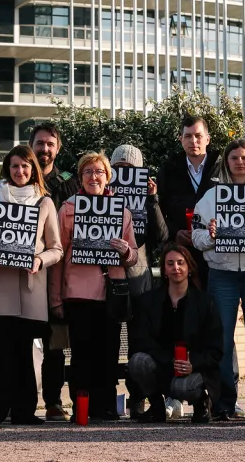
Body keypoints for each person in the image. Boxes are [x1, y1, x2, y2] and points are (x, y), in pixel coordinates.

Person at [0, 145, 63, 426]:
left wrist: (39, 260)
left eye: (25, 166)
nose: (20, 171)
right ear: (6, 170)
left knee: (24, 354)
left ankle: (24, 410)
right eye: (14, 166)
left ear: (33, 168)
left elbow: (56, 248)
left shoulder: (45, 202)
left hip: (29, 289)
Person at [191, 139, 245, 421]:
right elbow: (196, 236)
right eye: (234, 158)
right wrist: (211, 236)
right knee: (222, 341)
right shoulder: (210, 198)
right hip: (222, 274)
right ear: (226, 162)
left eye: (244, 157)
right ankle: (223, 405)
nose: (240, 162)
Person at [50, 152, 139, 421]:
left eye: (99, 171)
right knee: (81, 356)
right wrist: (55, 298)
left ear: (107, 177)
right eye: (87, 172)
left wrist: (126, 252)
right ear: (80, 177)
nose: (93, 176)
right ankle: (83, 408)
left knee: (109, 355)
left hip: (111, 294)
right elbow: (57, 256)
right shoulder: (67, 209)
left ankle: (107, 408)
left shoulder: (121, 212)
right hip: (77, 295)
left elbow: (133, 254)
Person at [128, 245, 223, 424]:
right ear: (164, 270)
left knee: (184, 387)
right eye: (170, 263)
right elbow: (140, 340)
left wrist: (192, 363)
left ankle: (201, 403)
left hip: (193, 369)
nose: (176, 268)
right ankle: (157, 407)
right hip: (161, 365)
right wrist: (168, 360)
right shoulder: (147, 301)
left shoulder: (205, 303)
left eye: (181, 263)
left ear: (189, 268)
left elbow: (216, 349)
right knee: (138, 361)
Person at [110, 143, 169, 418]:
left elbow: (161, 237)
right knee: (108, 336)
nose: (123, 174)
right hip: (108, 271)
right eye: (118, 169)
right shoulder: (102, 193)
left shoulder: (148, 196)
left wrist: (153, 199)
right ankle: (106, 397)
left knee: (139, 337)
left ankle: (138, 397)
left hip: (139, 271)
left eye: (129, 170)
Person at [30, 121, 78, 421]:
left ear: (57, 148)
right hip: (28, 272)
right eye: (40, 143)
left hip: (61, 273)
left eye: (50, 144)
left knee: (56, 343)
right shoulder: (19, 178)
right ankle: (19, 400)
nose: (45, 149)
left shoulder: (70, 183)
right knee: (21, 341)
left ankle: (53, 401)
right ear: (31, 145)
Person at [158, 115, 220, 287]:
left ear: (207, 139)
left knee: (211, 305)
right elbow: (159, 209)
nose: (193, 141)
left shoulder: (222, 167)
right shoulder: (169, 169)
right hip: (181, 250)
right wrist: (174, 233)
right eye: (188, 136)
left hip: (214, 250)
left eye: (198, 136)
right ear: (180, 139)